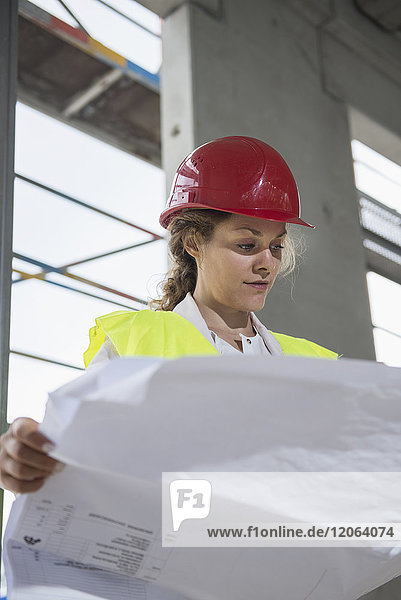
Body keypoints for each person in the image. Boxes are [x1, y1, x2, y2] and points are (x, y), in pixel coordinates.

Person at [0, 135, 337, 495]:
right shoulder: (133, 343)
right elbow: (75, 457)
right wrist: (25, 456)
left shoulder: (317, 364)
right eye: (246, 245)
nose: (266, 264)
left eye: (276, 246)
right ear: (193, 242)